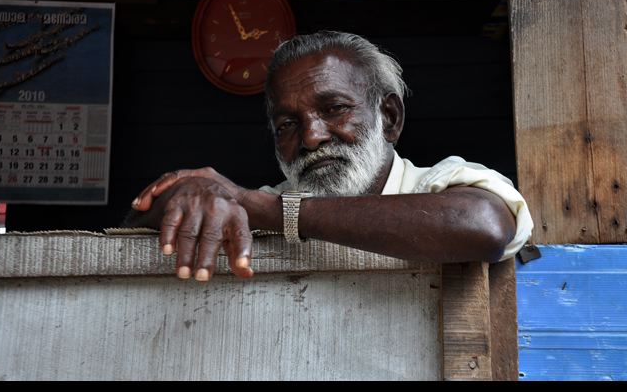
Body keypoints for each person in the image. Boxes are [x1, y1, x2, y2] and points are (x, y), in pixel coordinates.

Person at [125, 31, 533, 282]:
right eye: (286, 125)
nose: (312, 138)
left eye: (334, 109)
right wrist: (192, 191)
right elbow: (133, 230)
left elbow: (484, 226)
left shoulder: (441, 182)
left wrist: (268, 210)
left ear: (388, 118)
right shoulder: (258, 202)